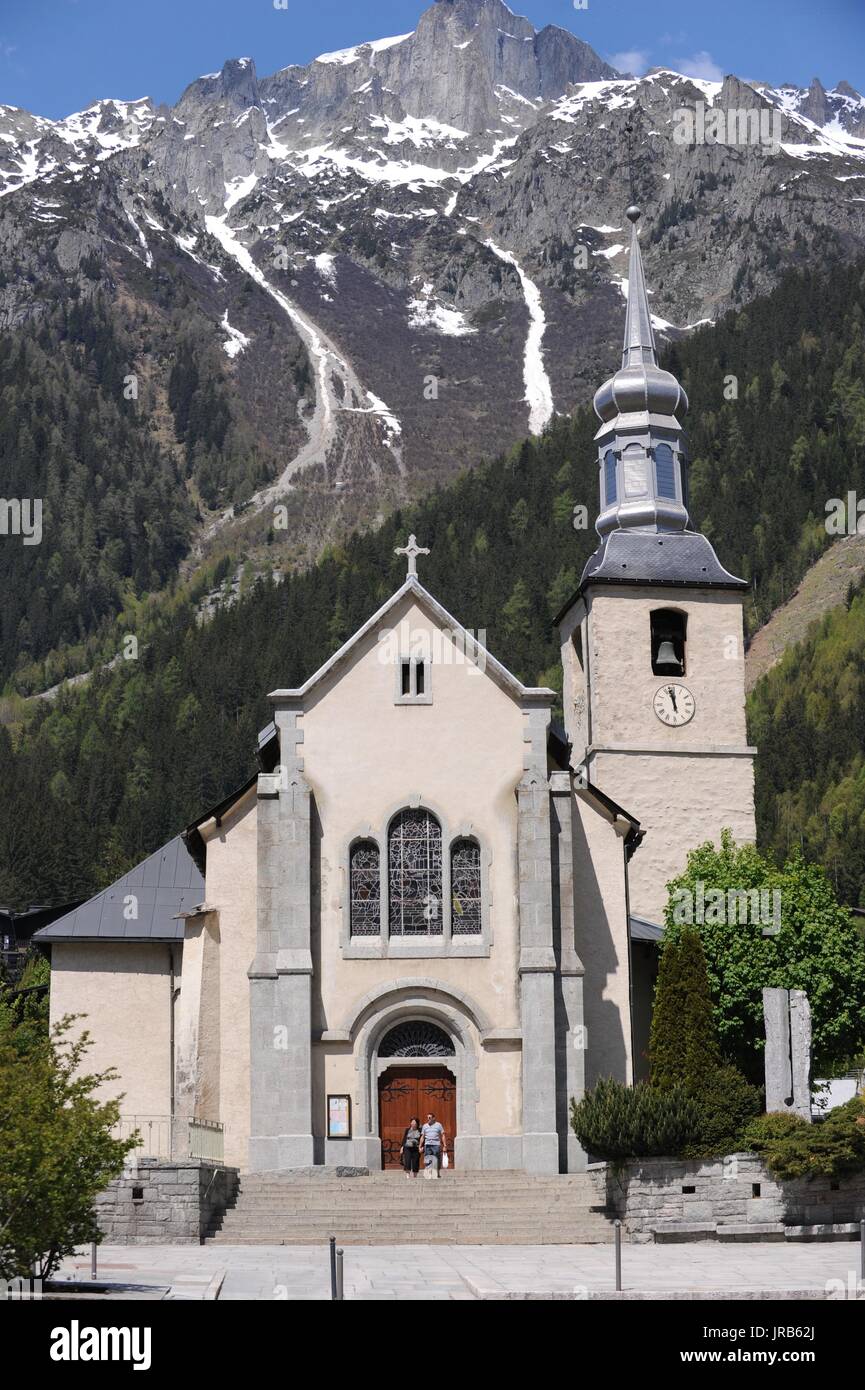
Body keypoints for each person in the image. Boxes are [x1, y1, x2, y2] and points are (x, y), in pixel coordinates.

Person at [420, 1112, 446, 1179]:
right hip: (427, 1144)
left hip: (436, 1145)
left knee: (436, 1159)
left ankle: (437, 1172)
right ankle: (429, 1173)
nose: (428, 1119)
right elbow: (422, 1136)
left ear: (433, 1118)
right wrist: (420, 1146)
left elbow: (443, 1135)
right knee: (427, 1159)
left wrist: (444, 1145)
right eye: (427, 1118)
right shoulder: (425, 1126)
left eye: (429, 1117)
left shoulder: (438, 1125)